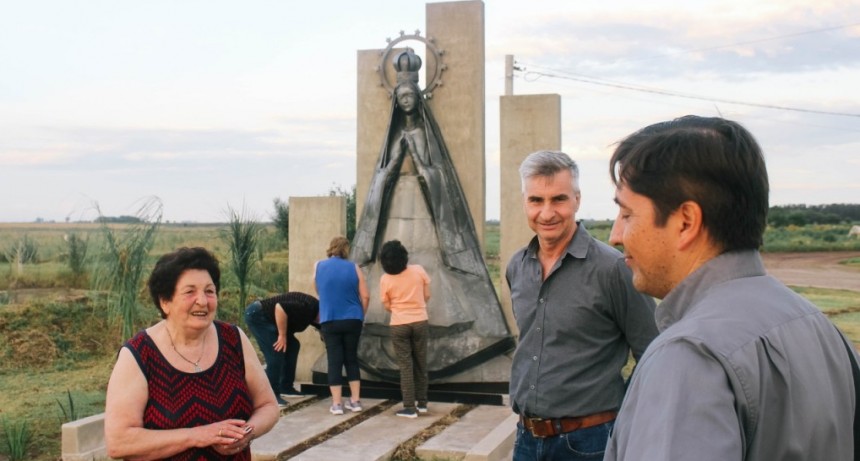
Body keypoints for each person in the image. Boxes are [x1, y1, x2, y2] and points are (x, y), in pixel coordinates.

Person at [603, 115, 858, 460]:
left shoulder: (689, 356)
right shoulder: (819, 326)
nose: (615, 236)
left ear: (686, 222)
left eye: (627, 214)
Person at [351, 48, 513, 381]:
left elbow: (435, 171)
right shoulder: (396, 135)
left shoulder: (423, 133)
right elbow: (383, 173)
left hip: (428, 217)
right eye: (403, 97)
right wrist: (394, 164)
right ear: (397, 101)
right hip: (395, 212)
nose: (407, 101)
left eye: (411, 96)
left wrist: (425, 170)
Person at [506, 150, 659, 461]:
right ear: (524, 202)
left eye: (558, 199)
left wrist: (625, 419)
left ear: (577, 199)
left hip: (589, 442)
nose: (546, 213)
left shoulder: (613, 269)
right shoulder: (517, 267)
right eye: (536, 200)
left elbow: (653, 353)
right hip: (526, 438)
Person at [105, 247, 279, 460]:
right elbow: (119, 443)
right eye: (190, 292)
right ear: (165, 302)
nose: (203, 301)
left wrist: (246, 433)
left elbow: (268, 406)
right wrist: (197, 436)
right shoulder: (140, 354)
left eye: (209, 291)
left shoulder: (234, 339)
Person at [313, 236, 369, 415]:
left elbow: (319, 290)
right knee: (351, 359)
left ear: (331, 248)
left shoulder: (318, 266)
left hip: (330, 319)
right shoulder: (354, 268)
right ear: (346, 250)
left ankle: (337, 404)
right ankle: (356, 401)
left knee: (334, 361)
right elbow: (366, 296)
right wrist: (360, 314)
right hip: (353, 319)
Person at [379, 239, 431, 419]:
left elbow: (386, 305)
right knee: (421, 362)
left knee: (405, 366)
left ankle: (409, 407)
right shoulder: (418, 271)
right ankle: (423, 403)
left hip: (399, 324)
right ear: (404, 256)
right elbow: (427, 295)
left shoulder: (385, 279)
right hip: (420, 321)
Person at [244, 292, 320, 406]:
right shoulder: (308, 307)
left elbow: (325, 330)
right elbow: (280, 307)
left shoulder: (316, 314)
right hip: (258, 315)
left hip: (270, 319)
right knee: (276, 351)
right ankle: (270, 395)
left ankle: (286, 387)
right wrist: (282, 335)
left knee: (293, 345)